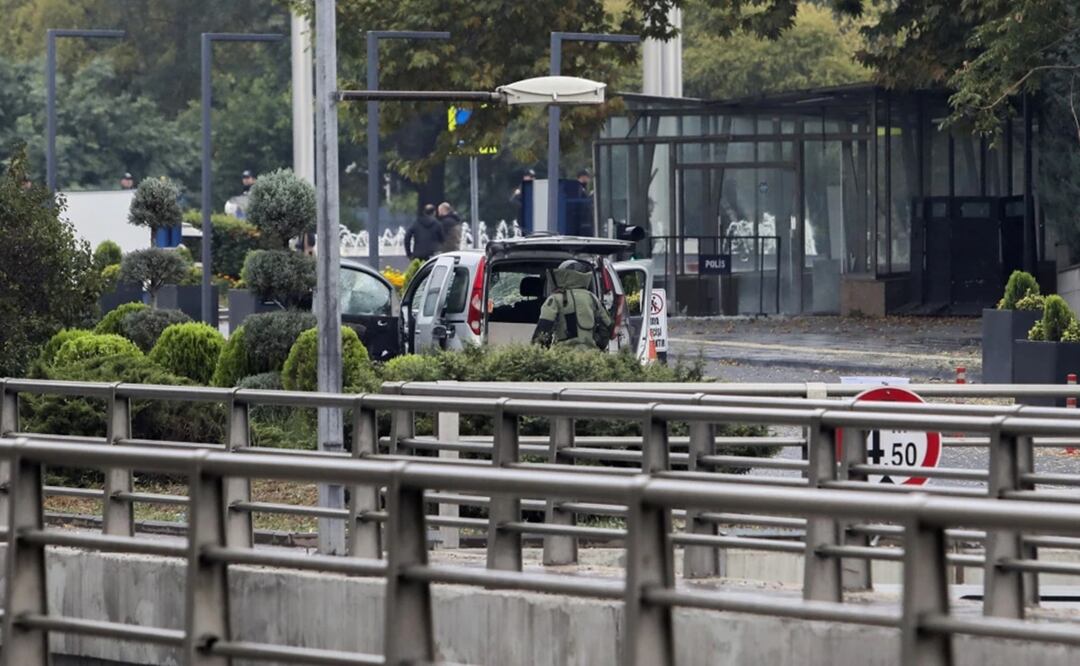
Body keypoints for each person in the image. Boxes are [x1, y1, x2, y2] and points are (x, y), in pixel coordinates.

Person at [531, 259, 613, 350]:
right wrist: (598, 345)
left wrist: (539, 351)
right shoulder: (593, 298)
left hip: (564, 355)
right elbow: (607, 325)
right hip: (591, 355)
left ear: (561, 275)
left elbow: (544, 328)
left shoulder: (556, 299)